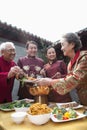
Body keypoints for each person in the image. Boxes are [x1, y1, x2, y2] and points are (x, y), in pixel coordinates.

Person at [34, 32, 87, 106]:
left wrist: (50, 82)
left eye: (62, 44)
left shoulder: (84, 58)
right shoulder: (69, 65)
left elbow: (73, 80)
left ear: (72, 44)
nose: (61, 48)